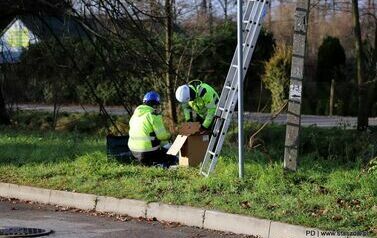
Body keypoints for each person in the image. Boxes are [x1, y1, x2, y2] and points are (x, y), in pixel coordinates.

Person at [128, 91, 177, 167]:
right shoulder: (153, 115)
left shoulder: (134, 116)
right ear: (154, 105)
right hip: (147, 152)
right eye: (157, 105)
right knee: (172, 155)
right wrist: (170, 135)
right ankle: (159, 164)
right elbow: (162, 136)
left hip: (133, 152)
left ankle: (147, 163)